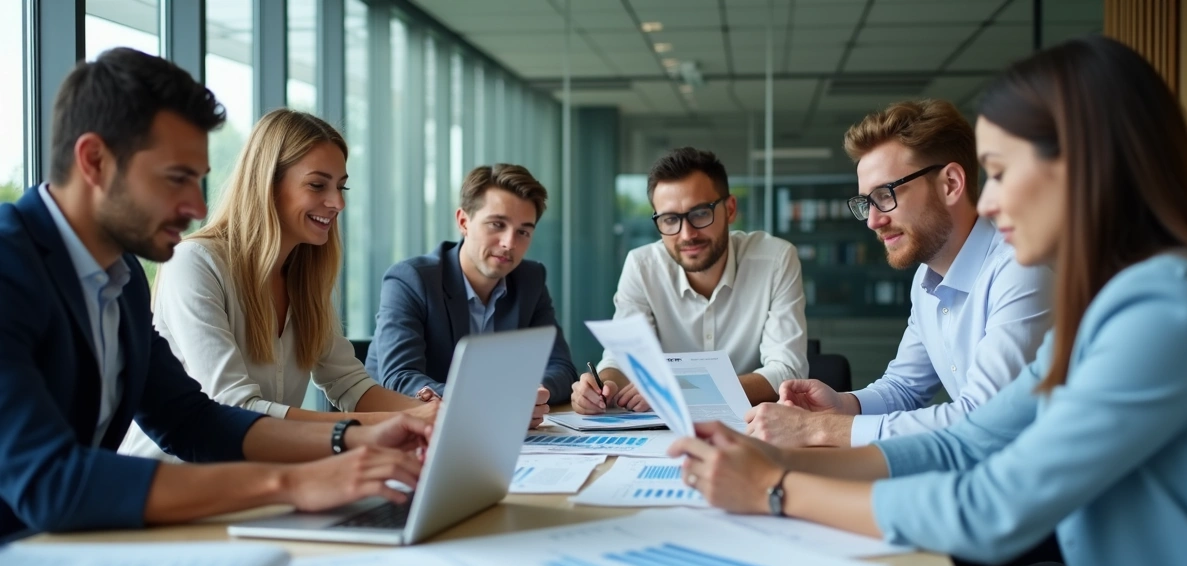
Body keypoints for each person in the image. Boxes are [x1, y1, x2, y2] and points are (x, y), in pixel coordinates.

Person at [668, 36, 1187, 566]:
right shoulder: (1108, 303)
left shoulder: (1163, 308)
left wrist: (776, 488)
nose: (994, 200)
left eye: (1002, 173)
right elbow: (970, 442)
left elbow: (990, 506)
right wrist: (781, 456)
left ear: (1086, 165)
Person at [0, 48, 430, 539]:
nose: (195, 206)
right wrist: (292, 482)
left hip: (80, 546)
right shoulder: (11, 268)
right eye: (176, 178)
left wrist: (352, 436)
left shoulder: (119, 277)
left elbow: (191, 421)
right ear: (95, 160)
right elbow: (48, 482)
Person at [119, 109, 438, 462]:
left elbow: (350, 384)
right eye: (318, 185)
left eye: (341, 186)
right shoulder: (195, 262)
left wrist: (436, 415)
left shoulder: (305, 276)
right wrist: (391, 424)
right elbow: (236, 407)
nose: (338, 202)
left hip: (256, 484)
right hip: (175, 489)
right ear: (267, 184)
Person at [745, 99, 1053, 448]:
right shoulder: (927, 280)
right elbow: (905, 387)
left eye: (885, 195)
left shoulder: (1021, 270)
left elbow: (984, 418)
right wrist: (844, 405)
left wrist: (819, 430)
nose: (874, 221)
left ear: (950, 183)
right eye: (866, 203)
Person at [571, 147, 809, 414]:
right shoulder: (642, 266)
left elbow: (787, 370)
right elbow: (624, 359)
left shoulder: (775, 260)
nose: (687, 235)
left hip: (751, 424)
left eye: (700, 214)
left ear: (730, 209)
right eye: (670, 219)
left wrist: (683, 389)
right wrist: (603, 388)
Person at [365, 164, 576, 428]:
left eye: (523, 231)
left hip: (496, 436)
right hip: (398, 435)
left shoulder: (529, 280)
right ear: (464, 222)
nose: (509, 243)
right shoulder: (411, 279)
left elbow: (561, 367)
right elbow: (400, 378)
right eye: (497, 224)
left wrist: (533, 394)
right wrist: (488, 403)